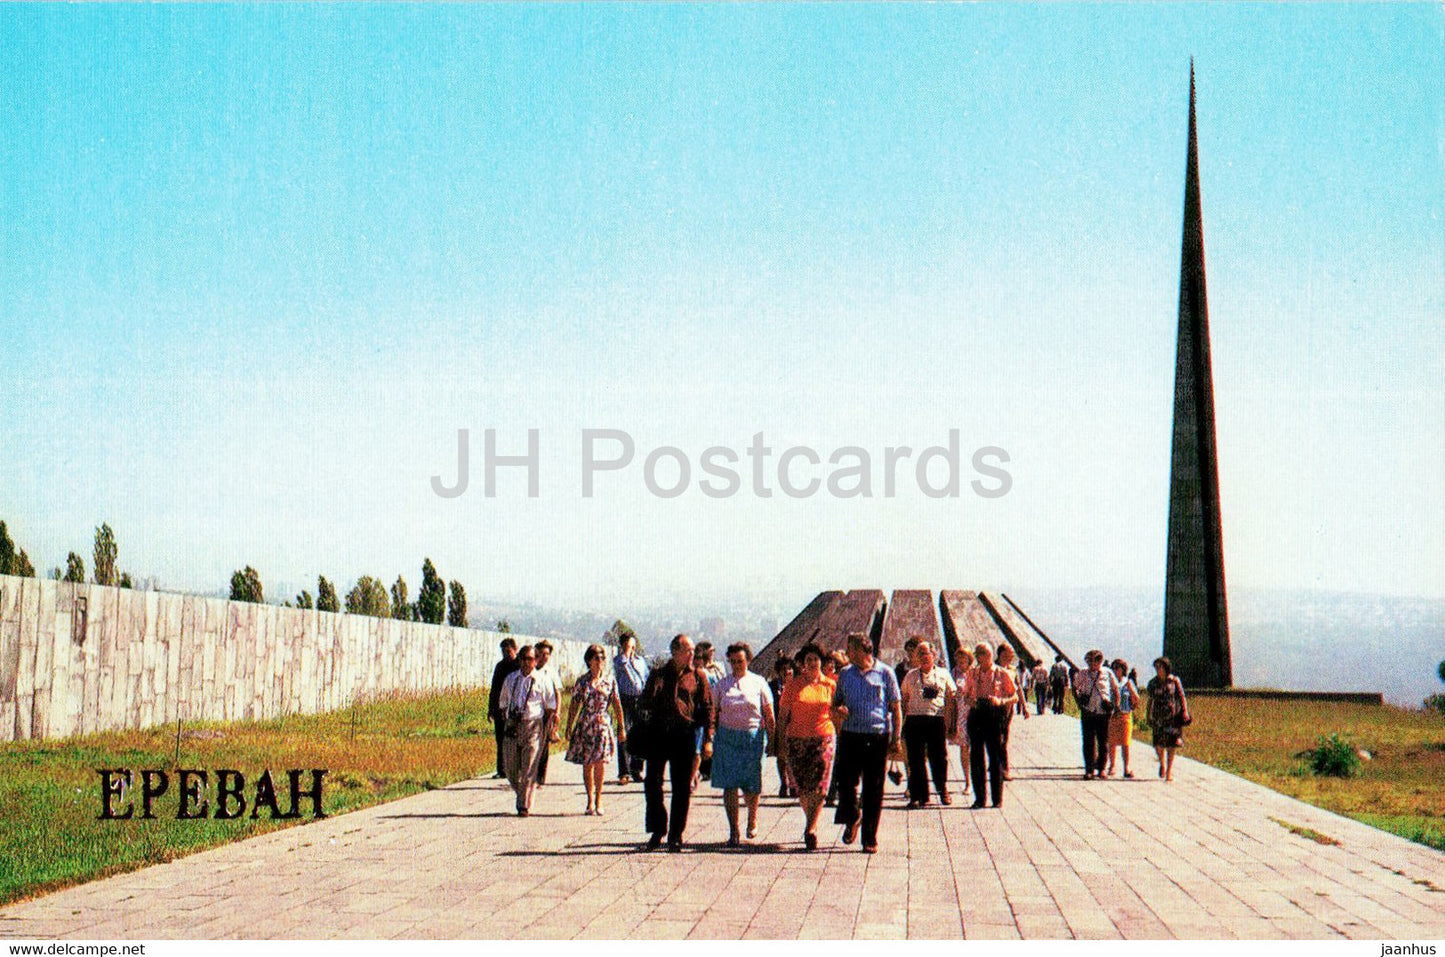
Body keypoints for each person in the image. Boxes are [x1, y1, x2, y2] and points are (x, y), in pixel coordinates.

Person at [641, 634, 713, 851]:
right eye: (687, 650)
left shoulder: (699, 677)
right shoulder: (658, 674)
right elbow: (644, 702)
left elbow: (709, 709)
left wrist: (708, 740)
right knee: (652, 783)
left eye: (693, 650)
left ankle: (675, 835)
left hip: (684, 736)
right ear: (675, 652)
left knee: (681, 788)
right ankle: (657, 829)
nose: (692, 654)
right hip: (659, 735)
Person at [831, 632, 903, 853]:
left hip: (877, 736)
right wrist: (839, 711)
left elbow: (896, 707)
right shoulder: (845, 674)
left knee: (873, 788)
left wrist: (896, 738)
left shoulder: (885, 673)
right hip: (851, 734)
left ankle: (869, 837)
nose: (846, 653)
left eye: (849, 649)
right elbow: (836, 704)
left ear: (862, 650)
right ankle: (853, 816)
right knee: (845, 783)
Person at [712, 643, 776, 846]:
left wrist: (773, 740)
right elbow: (713, 713)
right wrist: (710, 737)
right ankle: (734, 830)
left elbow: (769, 713)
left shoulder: (758, 682)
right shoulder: (722, 685)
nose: (737, 665)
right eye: (733, 661)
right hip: (727, 738)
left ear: (747, 660)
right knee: (730, 786)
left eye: (741, 661)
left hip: (753, 737)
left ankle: (752, 818)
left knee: (751, 785)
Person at [778, 643, 836, 850]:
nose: (812, 663)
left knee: (820, 786)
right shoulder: (793, 685)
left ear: (822, 662)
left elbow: (836, 713)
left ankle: (810, 828)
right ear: (803, 663)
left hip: (823, 739)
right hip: (796, 739)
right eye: (808, 660)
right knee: (802, 787)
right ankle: (811, 821)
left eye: (816, 659)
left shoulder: (830, 685)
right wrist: (779, 743)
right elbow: (783, 715)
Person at [566, 643, 626, 815]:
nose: (600, 661)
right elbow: (574, 704)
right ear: (589, 661)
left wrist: (621, 728)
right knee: (588, 764)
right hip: (586, 724)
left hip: (602, 725)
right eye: (596, 658)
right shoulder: (582, 682)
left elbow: (616, 704)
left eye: (602, 658)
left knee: (600, 763)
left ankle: (599, 799)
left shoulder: (609, 681)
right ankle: (589, 799)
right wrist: (569, 726)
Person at [498, 644, 558, 816]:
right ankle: (523, 793)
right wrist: (507, 721)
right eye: (522, 658)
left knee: (529, 767)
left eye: (530, 659)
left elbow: (550, 705)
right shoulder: (511, 679)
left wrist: (548, 727)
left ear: (536, 660)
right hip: (513, 725)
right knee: (510, 767)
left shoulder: (542, 680)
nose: (526, 662)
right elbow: (502, 702)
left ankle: (523, 805)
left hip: (533, 725)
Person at [900, 639, 957, 807]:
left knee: (939, 758)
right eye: (920, 654)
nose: (924, 657)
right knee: (915, 759)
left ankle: (942, 790)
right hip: (915, 720)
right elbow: (904, 699)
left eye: (926, 653)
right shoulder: (910, 675)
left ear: (934, 655)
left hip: (935, 720)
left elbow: (951, 698)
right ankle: (919, 796)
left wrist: (950, 722)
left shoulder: (944, 674)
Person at [962, 642, 1015, 809]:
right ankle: (980, 798)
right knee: (976, 757)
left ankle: (997, 798)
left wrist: (1000, 700)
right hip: (977, 715)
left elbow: (1014, 697)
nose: (981, 657)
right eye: (978, 654)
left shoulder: (1002, 673)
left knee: (995, 757)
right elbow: (965, 695)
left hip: (994, 715)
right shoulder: (972, 673)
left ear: (991, 655)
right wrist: (971, 701)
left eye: (984, 654)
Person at [1072, 649, 1119, 780]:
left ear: (1100, 661)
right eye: (1089, 660)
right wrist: (1079, 702)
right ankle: (1089, 770)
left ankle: (1102, 769)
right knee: (1088, 741)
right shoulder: (1082, 673)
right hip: (1088, 711)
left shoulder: (1107, 673)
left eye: (1094, 660)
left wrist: (1115, 706)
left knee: (1103, 741)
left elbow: (1115, 690)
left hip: (1103, 712)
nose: (1091, 663)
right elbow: (1074, 687)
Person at [612, 633, 650, 784]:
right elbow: (620, 664)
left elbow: (646, 678)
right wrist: (626, 653)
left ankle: (637, 768)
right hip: (625, 699)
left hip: (640, 699)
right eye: (629, 645)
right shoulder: (619, 660)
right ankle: (624, 772)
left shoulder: (641, 661)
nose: (632, 648)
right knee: (624, 733)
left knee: (641, 734)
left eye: (633, 645)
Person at [1146, 656, 1190, 782]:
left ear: (1166, 667)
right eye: (1156, 667)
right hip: (1158, 717)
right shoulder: (1153, 683)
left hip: (1173, 716)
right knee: (1158, 744)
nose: (1157, 669)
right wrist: (1148, 715)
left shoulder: (1174, 681)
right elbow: (1150, 700)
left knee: (1171, 744)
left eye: (1160, 666)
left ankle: (1169, 771)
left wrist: (1185, 711)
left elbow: (1181, 696)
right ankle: (1162, 763)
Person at [487, 638, 520, 778]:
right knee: (500, 740)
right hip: (501, 709)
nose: (505, 654)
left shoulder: (519, 666)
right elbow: (494, 689)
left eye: (508, 651)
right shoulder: (500, 666)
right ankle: (502, 770)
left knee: (516, 740)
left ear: (515, 650)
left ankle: (517, 769)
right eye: (503, 651)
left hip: (516, 710)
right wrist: (491, 709)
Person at [995, 644, 1028, 782]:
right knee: (998, 739)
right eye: (1010, 653)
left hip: (1008, 708)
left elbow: (1018, 688)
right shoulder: (994, 668)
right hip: (995, 706)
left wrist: (1024, 706)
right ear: (1002, 653)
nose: (1013, 655)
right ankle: (1001, 768)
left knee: (1003, 738)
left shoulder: (1013, 669)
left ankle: (1001, 767)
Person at [531, 640, 562, 786]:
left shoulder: (551, 671)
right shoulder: (530, 669)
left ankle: (539, 777)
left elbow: (557, 693)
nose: (544, 657)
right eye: (541, 654)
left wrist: (558, 712)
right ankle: (529, 774)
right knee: (531, 743)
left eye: (547, 654)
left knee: (543, 745)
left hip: (547, 712)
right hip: (532, 711)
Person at [693, 642, 724, 782]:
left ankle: (708, 768)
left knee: (710, 737)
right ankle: (702, 769)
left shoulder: (716, 668)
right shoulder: (698, 673)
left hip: (712, 706)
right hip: (699, 708)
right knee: (701, 738)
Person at [1106, 658, 1140, 779]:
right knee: (1112, 742)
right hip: (1112, 715)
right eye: (1113, 668)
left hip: (1125, 714)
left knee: (1125, 742)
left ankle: (1126, 767)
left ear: (1123, 670)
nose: (1115, 670)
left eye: (1117, 668)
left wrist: (1131, 691)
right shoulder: (1109, 682)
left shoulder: (1128, 683)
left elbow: (1137, 699)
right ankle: (1112, 765)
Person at [769, 658, 797, 798]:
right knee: (781, 756)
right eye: (783, 669)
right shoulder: (773, 686)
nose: (787, 672)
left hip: (795, 724)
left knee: (792, 755)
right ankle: (783, 783)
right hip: (779, 724)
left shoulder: (798, 684)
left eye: (789, 668)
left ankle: (794, 784)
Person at [950, 647, 975, 799]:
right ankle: (968, 782)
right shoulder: (953, 673)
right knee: (964, 747)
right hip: (961, 714)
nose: (961, 661)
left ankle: (976, 779)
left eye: (963, 658)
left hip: (974, 713)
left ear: (969, 659)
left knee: (975, 748)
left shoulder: (976, 672)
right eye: (958, 658)